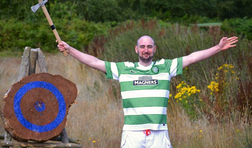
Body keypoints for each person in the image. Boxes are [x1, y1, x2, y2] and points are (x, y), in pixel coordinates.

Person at [57, 35, 238, 148]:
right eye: (142, 46)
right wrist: (70, 49)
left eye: (149, 46)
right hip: (132, 134)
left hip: (159, 133)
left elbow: (192, 58)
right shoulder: (124, 69)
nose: (146, 50)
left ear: (154, 49)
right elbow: (94, 62)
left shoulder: (166, 66)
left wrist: (217, 48)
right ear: (136, 49)